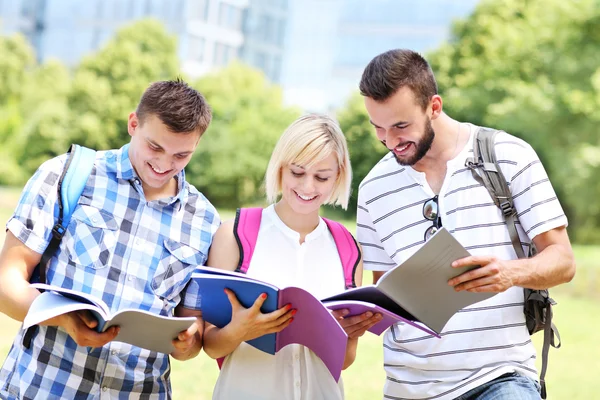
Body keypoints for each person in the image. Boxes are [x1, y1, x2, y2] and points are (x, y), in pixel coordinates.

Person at [356, 49, 576, 400]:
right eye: (378, 128)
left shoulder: (508, 155)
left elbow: (563, 261)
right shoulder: (372, 190)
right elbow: (385, 292)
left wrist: (511, 273)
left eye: (401, 126)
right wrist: (363, 319)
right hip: (407, 388)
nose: (390, 141)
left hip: (500, 378)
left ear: (434, 107)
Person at [0, 79, 220, 399]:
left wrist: (189, 341)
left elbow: (194, 331)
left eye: (181, 155)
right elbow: (6, 283)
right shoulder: (66, 174)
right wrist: (63, 319)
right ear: (133, 123)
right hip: (42, 388)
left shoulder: (204, 220)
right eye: (155, 147)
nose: (164, 164)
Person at [199, 113, 382, 400]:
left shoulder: (348, 247)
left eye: (322, 177)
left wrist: (352, 333)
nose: (308, 187)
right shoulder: (234, 234)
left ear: (338, 176)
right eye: (298, 173)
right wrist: (240, 330)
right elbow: (210, 345)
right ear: (280, 168)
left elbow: (345, 361)